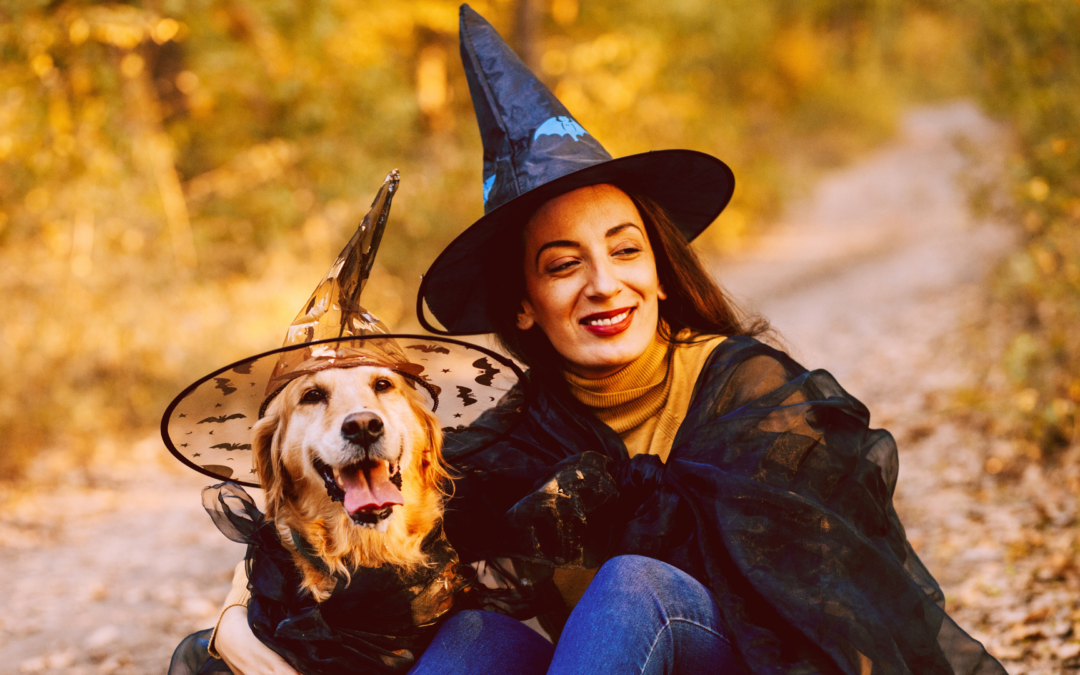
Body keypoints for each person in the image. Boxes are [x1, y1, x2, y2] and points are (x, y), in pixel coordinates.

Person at [212, 5, 1005, 674]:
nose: (603, 282)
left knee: (632, 587)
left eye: (626, 251)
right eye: (563, 265)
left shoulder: (750, 392)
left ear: (661, 273)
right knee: (471, 634)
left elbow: (836, 608)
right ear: (523, 307)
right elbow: (341, 566)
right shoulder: (514, 438)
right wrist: (240, 636)